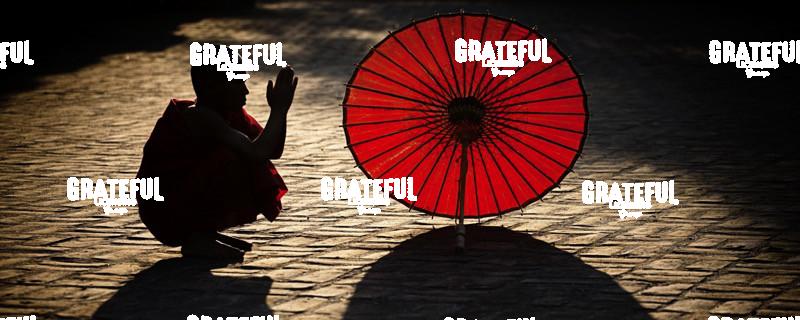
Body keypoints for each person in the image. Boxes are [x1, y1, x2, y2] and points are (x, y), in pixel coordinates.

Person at [136, 64, 298, 260]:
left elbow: (272, 151)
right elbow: (257, 152)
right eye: (238, 83)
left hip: (182, 199)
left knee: (248, 156)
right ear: (214, 88)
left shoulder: (231, 114)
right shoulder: (199, 116)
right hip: (164, 212)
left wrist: (282, 110)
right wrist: (278, 109)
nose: (245, 90)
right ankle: (197, 237)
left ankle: (204, 232)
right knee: (236, 157)